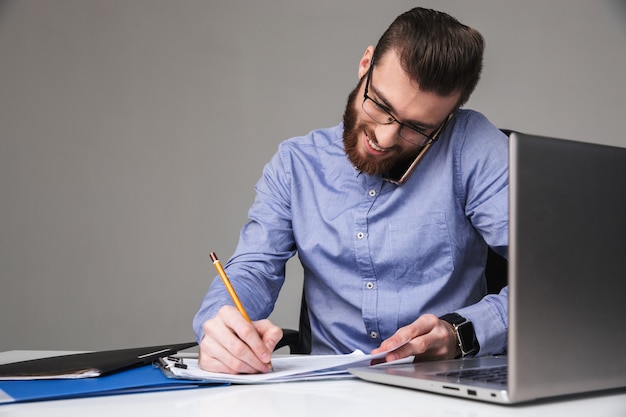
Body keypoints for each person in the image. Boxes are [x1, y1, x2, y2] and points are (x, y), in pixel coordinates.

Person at [193, 7, 508, 374]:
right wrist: (220, 327)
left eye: (417, 129)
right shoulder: (296, 164)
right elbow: (254, 268)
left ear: (448, 117)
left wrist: (462, 333)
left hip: (445, 389)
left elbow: (554, 286)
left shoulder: (473, 146)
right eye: (380, 105)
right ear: (365, 64)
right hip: (326, 393)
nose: (385, 137)